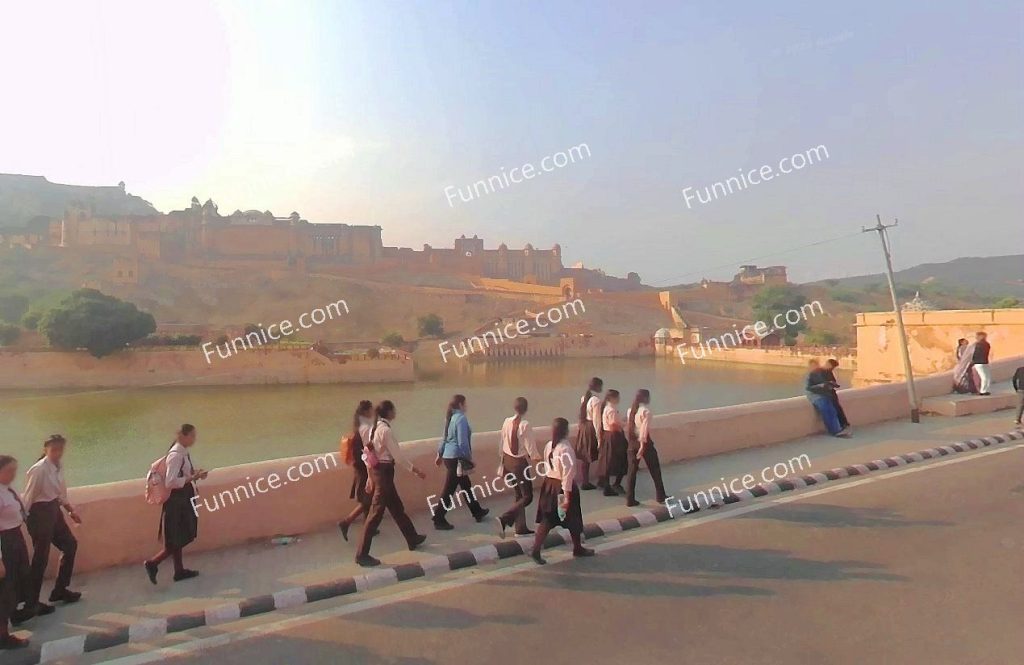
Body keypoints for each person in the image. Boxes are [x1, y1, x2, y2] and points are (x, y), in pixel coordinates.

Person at [355, 400, 427, 567]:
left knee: (396, 507)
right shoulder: (385, 430)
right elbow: (398, 456)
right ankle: (362, 554)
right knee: (375, 514)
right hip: (384, 473)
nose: (396, 412)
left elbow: (368, 454)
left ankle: (412, 538)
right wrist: (415, 470)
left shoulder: (374, 428)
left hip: (378, 472)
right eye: (394, 410)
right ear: (388, 412)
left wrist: (369, 476)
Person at [24, 435, 82, 610]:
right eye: (54, 449)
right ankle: (32, 603)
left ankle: (60, 589)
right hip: (39, 513)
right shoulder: (39, 469)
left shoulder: (58, 466)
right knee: (40, 558)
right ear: (45, 450)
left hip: (53, 511)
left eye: (60, 449)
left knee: (70, 544)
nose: (58, 453)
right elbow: (29, 496)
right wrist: (25, 519)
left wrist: (70, 510)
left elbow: (60, 492)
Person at [144, 424, 207, 584]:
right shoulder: (176, 455)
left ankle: (179, 571)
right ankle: (152, 563)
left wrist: (195, 474)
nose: (194, 439)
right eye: (192, 436)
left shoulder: (182, 453)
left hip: (182, 498)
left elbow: (182, 474)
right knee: (176, 537)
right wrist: (191, 479)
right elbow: (170, 481)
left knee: (179, 535)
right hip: (177, 500)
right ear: (184, 436)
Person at [530, 418, 594, 565]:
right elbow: (568, 474)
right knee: (573, 517)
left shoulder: (549, 446)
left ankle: (536, 549)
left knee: (548, 519)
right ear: (565, 431)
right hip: (562, 487)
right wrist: (566, 495)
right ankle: (577, 548)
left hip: (550, 485)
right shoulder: (565, 449)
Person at [1, 455, 45, 639]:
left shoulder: (6, 489)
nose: (13, 474)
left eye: (14, 470)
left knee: (21, 576)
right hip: (5, 541)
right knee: (6, 585)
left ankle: (17, 612)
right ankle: (3, 634)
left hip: (15, 536)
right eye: (9, 470)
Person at [432, 395, 489, 529]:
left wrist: (439, 454)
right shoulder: (461, 419)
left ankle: (477, 511)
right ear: (461, 404)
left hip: (449, 457)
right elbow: (462, 442)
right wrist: (468, 458)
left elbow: (444, 437)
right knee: (449, 490)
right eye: (465, 403)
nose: (467, 406)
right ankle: (438, 518)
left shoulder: (450, 418)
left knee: (466, 486)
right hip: (456, 458)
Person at [496, 397, 539, 537]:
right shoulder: (525, 425)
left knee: (519, 495)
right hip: (519, 464)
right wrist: (538, 459)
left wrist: (502, 461)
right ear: (526, 409)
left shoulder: (506, 421)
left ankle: (520, 528)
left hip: (508, 461)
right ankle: (505, 518)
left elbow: (502, 442)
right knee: (527, 497)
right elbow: (530, 447)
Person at [337, 401, 377, 542]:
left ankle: (369, 525)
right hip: (364, 467)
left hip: (360, 466)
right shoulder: (366, 428)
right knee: (367, 500)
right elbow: (368, 450)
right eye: (371, 409)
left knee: (369, 498)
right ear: (366, 412)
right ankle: (346, 521)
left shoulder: (359, 426)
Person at [805, 360, 848, 437]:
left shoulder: (820, 372)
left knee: (832, 410)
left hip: (824, 394)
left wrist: (830, 385)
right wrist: (821, 386)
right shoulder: (811, 375)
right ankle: (834, 431)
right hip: (815, 396)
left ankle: (838, 429)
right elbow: (808, 388)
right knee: (826, 409)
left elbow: (828, 382)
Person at [597, 390, 628, 496]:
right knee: (619, 460)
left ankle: (607, 485)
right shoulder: (611, 409)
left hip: (608, 436)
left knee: (607, 461)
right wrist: (623, 425)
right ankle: (613, 485)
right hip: (614, 437)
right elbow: (613, 425)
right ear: (612, 398)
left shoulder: (608, 408)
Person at [575, 377, 603, 491]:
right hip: (591, 427)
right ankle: (601, 480)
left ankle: (585, 481)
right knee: (601, 455)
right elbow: (597, 420)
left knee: (585, 457)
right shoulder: (596, 400)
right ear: (597, 386)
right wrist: (599, 436)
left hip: (584, 426)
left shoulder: (585, 398)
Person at [823, 360, 851, 435]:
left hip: (831, 393)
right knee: (833, 409)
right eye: (833, 367)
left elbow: (832, 382)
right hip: (827, 394)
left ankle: (842, 424)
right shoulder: (822, 372)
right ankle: (839, 426)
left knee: (837, 408)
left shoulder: (828, 372)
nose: (833, 368)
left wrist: (833, 385)